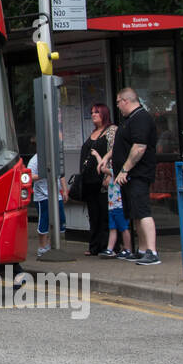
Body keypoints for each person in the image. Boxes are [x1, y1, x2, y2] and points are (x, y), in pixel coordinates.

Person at [111, 87, 160, 264]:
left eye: (118, 102)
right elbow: (121, 145)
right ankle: (142, 250)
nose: (118, 106)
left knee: (143, 211)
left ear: (125, 100)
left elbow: (139, 147)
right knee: (136, 213)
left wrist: (125, 170)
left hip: (138, 174)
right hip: (129, 176)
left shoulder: (141, 118)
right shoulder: (129, 120)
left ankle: (152, 252)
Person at [80, 103, 116, 255]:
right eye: (92, 112)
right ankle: (94, 245)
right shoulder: (93, 132)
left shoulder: (111, 130)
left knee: (104, 213)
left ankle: (107, 245)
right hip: (89, 180)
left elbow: (114, 151)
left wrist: (109, 174)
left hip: (102, 180)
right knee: (93, 213)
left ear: (104, 114)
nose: (93, 114)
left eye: (97, 112)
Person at [28, 143, 66, 257]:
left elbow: (61, 174)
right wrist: (44, 174)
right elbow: (28, 176)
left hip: (56, 195)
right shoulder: (35, 160)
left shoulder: (55, 158)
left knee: (60, 219)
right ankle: (42, 247)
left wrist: (64, 190)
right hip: (42, 196)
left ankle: (51, 244)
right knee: (44, 220)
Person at [98, 168, 134, 258]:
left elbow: (102, 168)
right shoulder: (112, 174)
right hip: (112, 206)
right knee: (112, 228)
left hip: (120, 206)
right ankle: (110, 249)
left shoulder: (117, 171)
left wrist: (97, 155)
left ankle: (128, 249)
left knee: (124, 228)